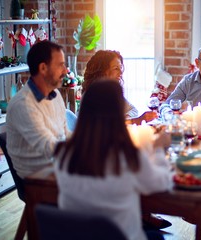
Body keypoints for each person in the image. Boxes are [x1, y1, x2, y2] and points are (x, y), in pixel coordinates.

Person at [54, 80, 172, 240]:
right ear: (117, 112)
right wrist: (158, 148)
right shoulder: (127, 155)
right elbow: (162, 183)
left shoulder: (63, 153)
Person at [6, 40, 68, 179]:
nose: (65, 71)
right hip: (37, 180)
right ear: (43, 68)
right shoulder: (23, 104)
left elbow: (64, 133)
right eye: (60, 65)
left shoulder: (55, 94)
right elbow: (48, 147)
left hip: (58, 168)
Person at [82, 50, 157, 123]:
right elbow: (106, 126)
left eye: (120, 68)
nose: (121, 72)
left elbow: (133, 110)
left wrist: (125, 119)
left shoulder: (111, 93)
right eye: (116, 68)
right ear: (102, 72)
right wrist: (135, 120)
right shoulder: (94, 96)